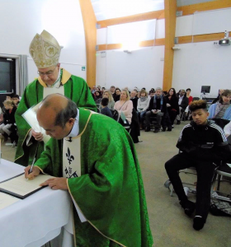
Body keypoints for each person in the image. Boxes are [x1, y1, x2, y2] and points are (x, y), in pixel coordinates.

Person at [25, 94, 153, 247]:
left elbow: (109, 183)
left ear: (70, 122)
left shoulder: (106, 134)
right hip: (71, 207)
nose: (47, 134)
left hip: (102, 213)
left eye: (50, 130)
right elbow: (53, 150)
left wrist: (70, 184)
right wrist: (40, 166)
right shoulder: (62, 125)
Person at [15, 30, 96, 166]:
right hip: (42, 146)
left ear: (58, 66)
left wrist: (68, 126)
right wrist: (31, 132)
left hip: (70, 141)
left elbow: (89, 111)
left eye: (49, 72)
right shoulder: (32, 88)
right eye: (41, 73)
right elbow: (21, 115)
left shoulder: (77, 84)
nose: (46, 77)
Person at [165, 100, 230, 230]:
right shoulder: (188, 128)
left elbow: (225, 152)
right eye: (194, 115)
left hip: (208, 159)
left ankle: (200, 214)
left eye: (199, 114)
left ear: (206, 114)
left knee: (203, 184)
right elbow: (180, 144)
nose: (196, 117)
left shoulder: (215, 129)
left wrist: (207, 155)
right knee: (170, 165)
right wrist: (193, 150)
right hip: (191, 156)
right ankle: (185, 202)